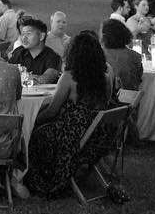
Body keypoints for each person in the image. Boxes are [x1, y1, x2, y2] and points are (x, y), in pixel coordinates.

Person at [24, 31, 118, 197]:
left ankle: (39, 178)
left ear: (73, 53)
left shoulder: (69, 78)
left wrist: (32, 122)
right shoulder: (105, 78)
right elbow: (105, 103)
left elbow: (52, 111)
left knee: (37, 134)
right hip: (98, 138)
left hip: (72, 138)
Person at [7, 18, 62, 84]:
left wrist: (22, 77)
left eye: (28, 34)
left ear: (41, 36)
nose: (24, 38)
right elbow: (6, 74)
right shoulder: (18, 52)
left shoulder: (53, 57)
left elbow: (45, 79)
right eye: (23, 34)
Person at [100, 18, 143, 93]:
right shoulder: (136, 57)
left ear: (104, 36)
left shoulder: (98, 55)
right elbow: (138, 81)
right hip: (130, 101)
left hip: (106, 101)